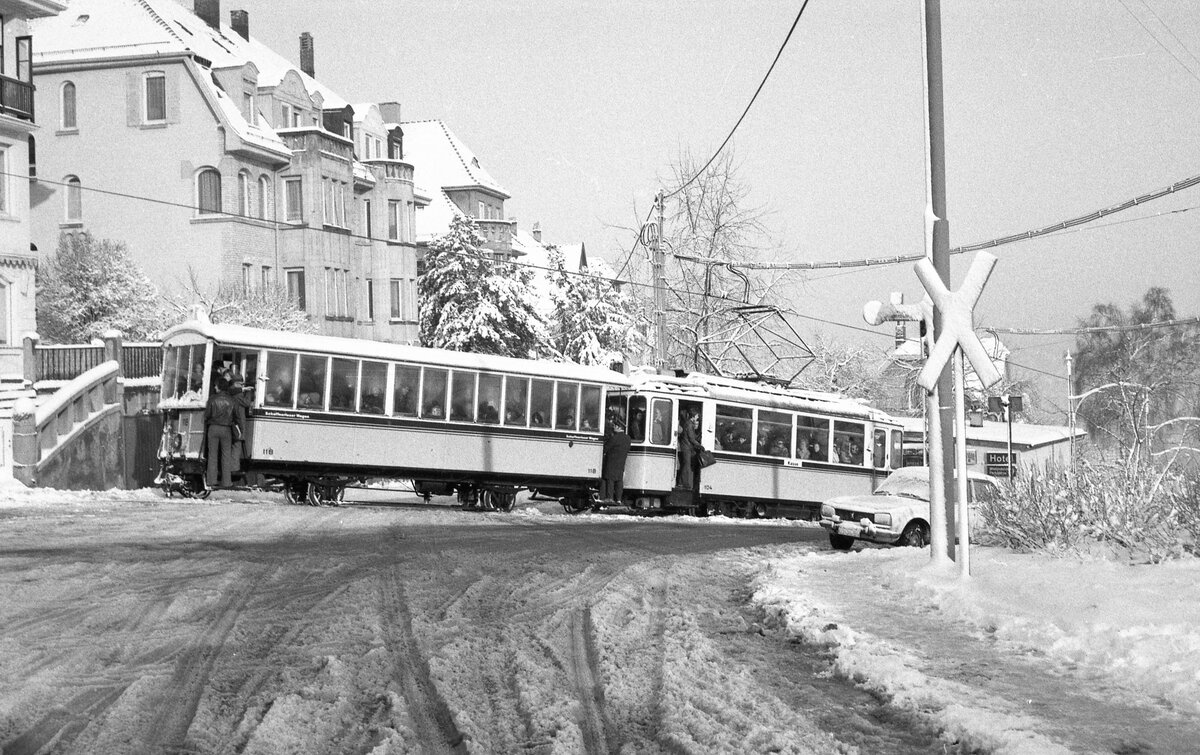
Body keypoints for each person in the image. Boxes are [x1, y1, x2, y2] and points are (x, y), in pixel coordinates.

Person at [204, 378, 244, 489]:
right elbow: (237, 417)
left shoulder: (212, 399)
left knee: (212, 455)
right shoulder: (232, 400)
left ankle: (212, 481)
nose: (215, 387)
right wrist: (240, 429)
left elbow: (206, 415)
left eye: (216, 386)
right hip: (227, 430)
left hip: (213, 428)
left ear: (219, 386)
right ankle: (227, 482)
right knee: (226, 455)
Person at [599, 419, 631, 504]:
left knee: (610, 479)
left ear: (618, 427)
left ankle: (609, 498)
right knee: (619, 481)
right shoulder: (628, 438)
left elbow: (605, 448)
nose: (613, 427)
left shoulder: (614, 438)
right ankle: (619, 499)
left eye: (614, 426)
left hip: (611, 462)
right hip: (621, 462)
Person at [676, 409, 702, 490]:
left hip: (685, 446)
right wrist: (700, 445)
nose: (697, 418)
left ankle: (681, 482)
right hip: (686, 447)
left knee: (685, 465)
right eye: (697, 416)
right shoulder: (690, 425)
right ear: (693, 416)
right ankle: (684, 483)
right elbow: (691, 438)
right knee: (686, 465)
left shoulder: (687, 423)